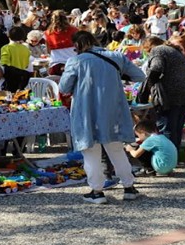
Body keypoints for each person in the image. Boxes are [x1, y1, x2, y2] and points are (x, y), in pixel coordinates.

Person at [60, 31, 146, 204]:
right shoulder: (116, 56)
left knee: (90, 151)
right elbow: (140, 76)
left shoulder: (76, 61)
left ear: (76, 45)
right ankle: (129, 187)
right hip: (112, 110)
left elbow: (64, 87)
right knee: (116, 149)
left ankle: (97, 191)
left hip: (87, 111)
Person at [144, 37, 185, 149]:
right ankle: (174, 157)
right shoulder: (175, 52)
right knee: (176, 129)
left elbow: (156, 68)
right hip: (184, 94)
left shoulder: (157, 50)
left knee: (166, 129)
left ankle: (166, 158)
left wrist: (147, 88)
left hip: (168, 96)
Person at [44, 9, 78, 76]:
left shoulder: (48, 33)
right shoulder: (74, 30)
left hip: (56, 64)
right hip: (73, 63)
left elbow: (48, 51)